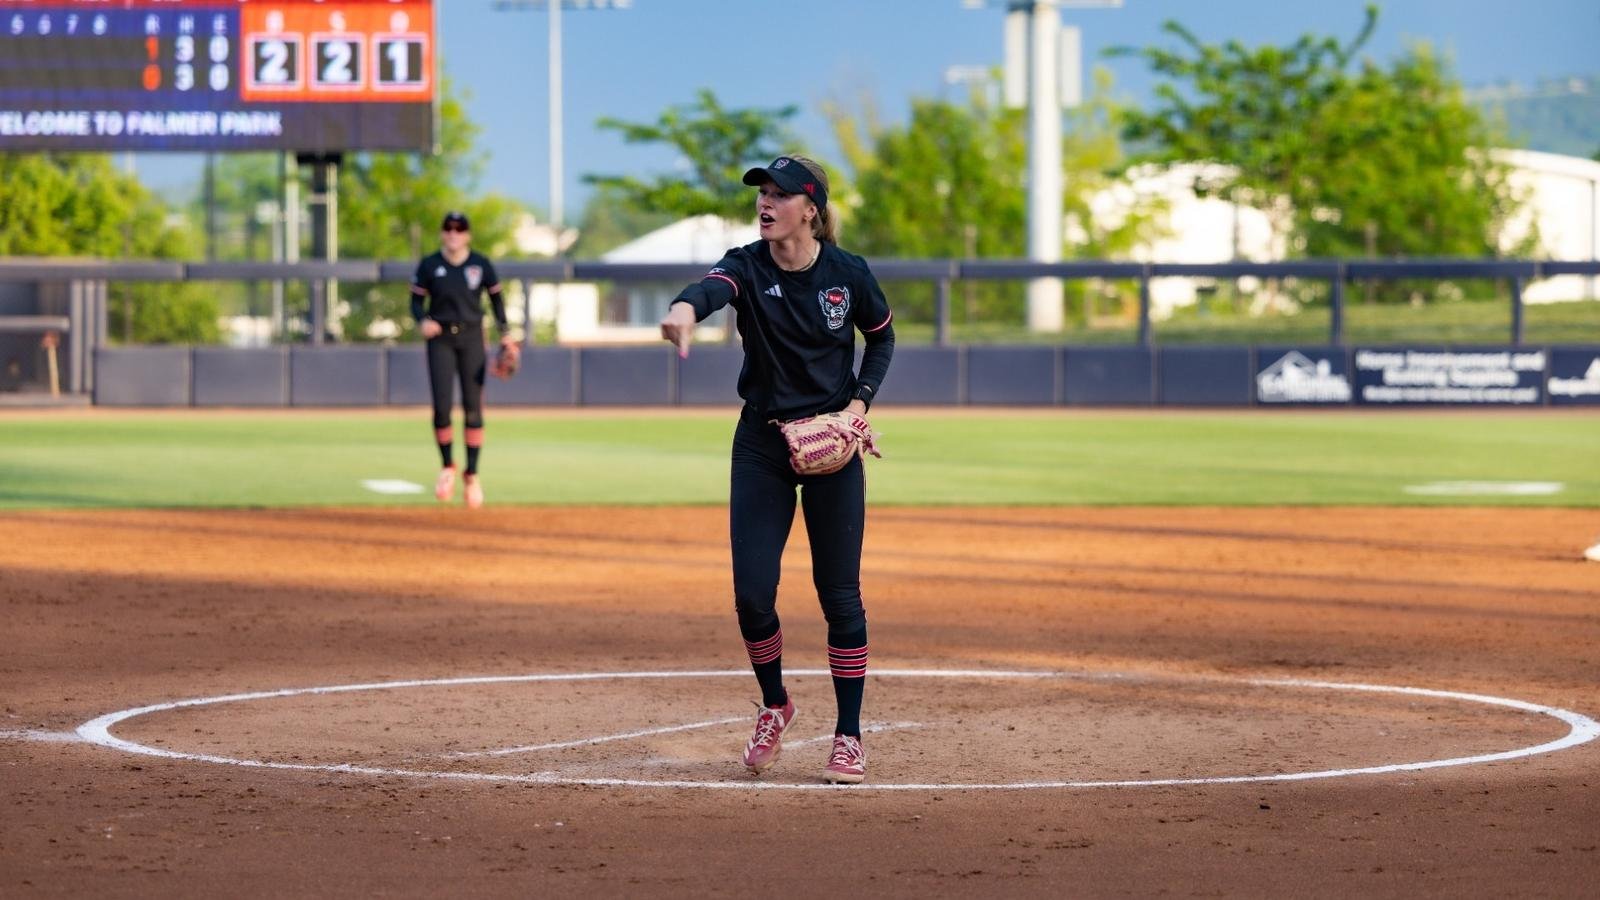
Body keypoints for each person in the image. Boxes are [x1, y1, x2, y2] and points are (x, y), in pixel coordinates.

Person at [659, 155, 895, 784]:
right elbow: (709, 290)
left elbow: (882, 337)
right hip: (762, 443)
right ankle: (775, 704)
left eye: (780, 194)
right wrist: (683, 311)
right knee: (752, 594)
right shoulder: (746, 264)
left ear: (810, 209)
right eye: (761, 192)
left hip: (831, 444)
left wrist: (856, 408)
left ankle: (848, 735)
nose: (765, 202)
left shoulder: (847, 273)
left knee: (839, 593)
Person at [410, 211, 515, 509]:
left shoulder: (480, 264)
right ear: (442, 233)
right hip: (440, 338)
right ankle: (447, 467)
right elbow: (415, 302)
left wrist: (506, 334)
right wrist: (422, 320)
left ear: (467, 234)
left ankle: (472, 474)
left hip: (472, 338)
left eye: (459, 229)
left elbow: (496, 301)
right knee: (442, 407)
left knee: (473, 408)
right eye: (449, 228)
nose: (453, 233)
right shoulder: (430, 264)